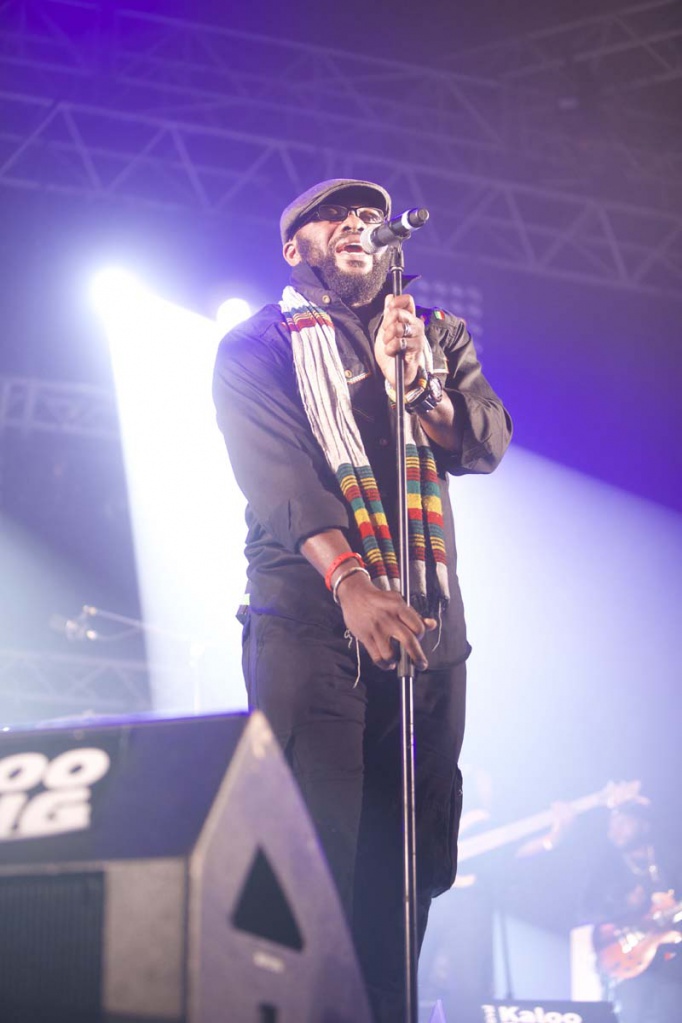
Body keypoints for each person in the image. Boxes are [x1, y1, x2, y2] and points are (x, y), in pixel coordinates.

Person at [212, 178, 512, 1022]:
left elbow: (485, 440)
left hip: (425, 630)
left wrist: (421, 388)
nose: (356, 222)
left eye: (368, 215)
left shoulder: (434, 333)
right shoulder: (258, 343)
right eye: (331, 216)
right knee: (311, 853)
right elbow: (280, 479)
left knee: (409, 864)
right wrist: (350, 582)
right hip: (311, 624)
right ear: (295, 247)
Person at [584, 799, 682, 1023]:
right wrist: (625, 903)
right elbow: (587, 910)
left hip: (672, 960)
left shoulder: (670, 857)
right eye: (611, 826)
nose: (614, 831)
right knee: (634, 1014)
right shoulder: (607, 867)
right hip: (631, 963)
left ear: (643, 825)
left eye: (622, 823)